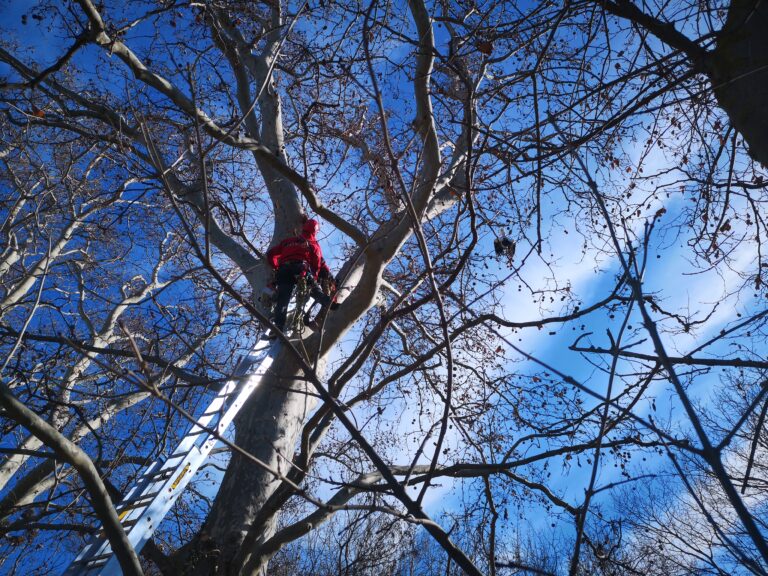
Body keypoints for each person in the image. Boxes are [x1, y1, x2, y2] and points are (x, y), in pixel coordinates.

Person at [265, 218, 337, 336]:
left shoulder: (287, 241)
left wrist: (276, 266)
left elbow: (271, 254)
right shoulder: (313, 244)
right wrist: (315, 276)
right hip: (300, 269)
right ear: (315, 232)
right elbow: (316, 263)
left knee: (282, 300)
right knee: (314, 289)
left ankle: (277, 328)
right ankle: (330, 304)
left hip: (283, 271)